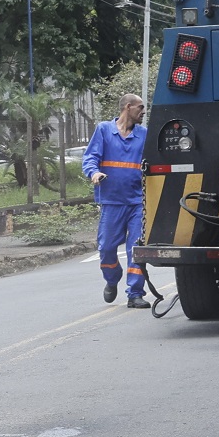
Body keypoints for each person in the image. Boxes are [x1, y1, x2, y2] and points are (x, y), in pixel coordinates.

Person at [81, 93, 149, 308]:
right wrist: (93, 172)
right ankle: (112, 279)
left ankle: (135, 293)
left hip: (138, 202)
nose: (143, 111)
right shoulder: (104, 130)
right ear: (127, 107)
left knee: (136, 248)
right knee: (107, 248)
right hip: (112, 202)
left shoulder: (144, 134)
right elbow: (90, 157)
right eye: (140, 107)